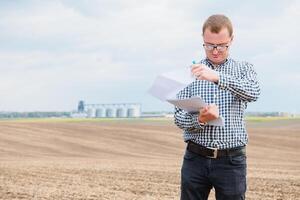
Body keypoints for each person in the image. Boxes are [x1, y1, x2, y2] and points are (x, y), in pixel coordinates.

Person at [174, 14, 260, 200]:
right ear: (203, 41)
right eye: (209, 45)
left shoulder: (244, 69)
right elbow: (179, 118)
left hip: (231, 161)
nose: (214, 51)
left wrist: (218, 77)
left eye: (221, 45)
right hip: (195, 158)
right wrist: (200, 119)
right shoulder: (189, 73)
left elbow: (254, 92)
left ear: (232, 40)